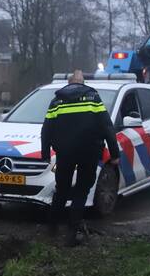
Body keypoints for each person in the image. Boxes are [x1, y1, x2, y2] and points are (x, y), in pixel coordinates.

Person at [41, 70, 120, 245]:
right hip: (89, 153)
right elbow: (107, 127)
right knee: (82, 191)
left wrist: (45, 154)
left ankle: (52, 228)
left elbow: (46, 129)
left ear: (69, 84)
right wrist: (114, 154)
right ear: (82, 83)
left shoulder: (57, 101)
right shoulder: (93, 98)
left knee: (62, 190)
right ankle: (71, 234)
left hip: (65, 153)